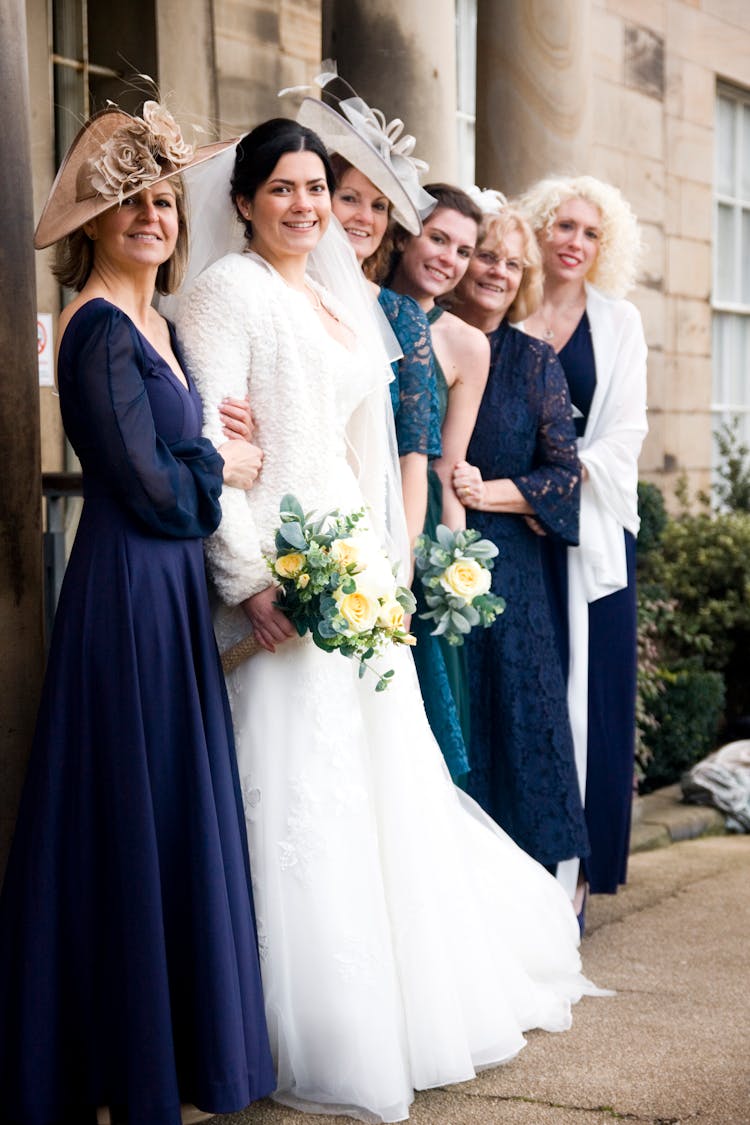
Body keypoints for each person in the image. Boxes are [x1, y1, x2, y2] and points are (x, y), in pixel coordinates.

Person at [176, 117, 604, 1125]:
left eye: (315, 189)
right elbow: (212, 437)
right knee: (290, 788)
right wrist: (247, 576)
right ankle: (289, 1024)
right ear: (242, 201)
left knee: (372, 787)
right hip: (281, 572)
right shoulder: (223, 294)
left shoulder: (331, 300)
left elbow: (370, 442)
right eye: (282, 188)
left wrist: (385, 562)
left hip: (352, 570)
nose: (305, 206)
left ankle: (398, 993)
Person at [0, 104, 275, 1125]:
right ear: (96, 227)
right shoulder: (98, 328)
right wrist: (222, 461)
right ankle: (117, 1065)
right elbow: (154, 486)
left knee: (167, 807)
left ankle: (175, 1052)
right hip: (126, 589)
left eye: (164, 200)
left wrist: (219, 435)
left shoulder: (159, 324)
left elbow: (185, 444)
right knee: (128, 811)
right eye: (131, 203)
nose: (152, 216)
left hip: (166, 588)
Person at [447, 198, 589, 878]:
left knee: (519, 721)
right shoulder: (424, 337)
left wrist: (487, 494)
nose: (496, 271)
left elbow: (563, 476)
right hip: (434, 555)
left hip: (514, 578)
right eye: (484, 255)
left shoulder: (535, 363)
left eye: (511, 262)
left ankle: (532, 889)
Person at [518, 175, 648, 911]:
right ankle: (531, 855)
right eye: (563, 225)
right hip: (514, 527)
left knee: (592, 691)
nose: (574, 242)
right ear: (538, 228)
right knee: (536, 687)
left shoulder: (619, 321)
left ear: (605, 247)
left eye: (590, 233)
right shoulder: (513, 308)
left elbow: (627, 430)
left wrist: (558, 486)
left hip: (591, 527)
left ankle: (583, 866)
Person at [297, 86, 441, 561]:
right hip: (293, 522)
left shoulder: (403, 319)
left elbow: (412, 458)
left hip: (374, 529)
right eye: (351, 198)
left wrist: (402, 566)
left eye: (379, 206)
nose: (365, 217)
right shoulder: (282, 294)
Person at [383, 184, 490, 774]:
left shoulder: (468, 345)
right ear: (405, 235)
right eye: (438, 238)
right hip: (355, 505)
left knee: (427, 693)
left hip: (422, 523)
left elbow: (451, 463)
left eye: (464, 250)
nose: (449, 258)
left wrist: (451, 564)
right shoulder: (354, 308)